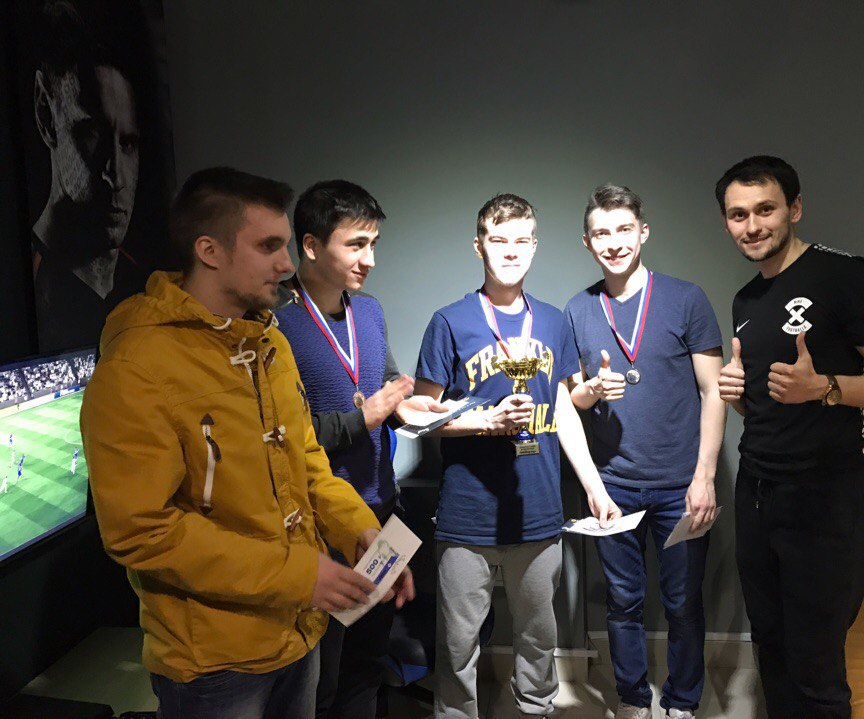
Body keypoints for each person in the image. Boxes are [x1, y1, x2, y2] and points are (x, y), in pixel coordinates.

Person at [80, 167, 412, 719]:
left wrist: (360, 530)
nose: (286, 264)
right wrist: (301, 575)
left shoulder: (268, 342)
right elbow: (141, 531)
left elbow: (307, 462)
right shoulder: (137, 365)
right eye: (268, 246)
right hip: (216, 663)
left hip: (298, 631)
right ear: (209, 251)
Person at [715, 155, 864, 718]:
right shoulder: (746, 301)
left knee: (815, 661)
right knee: (772, 646)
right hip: (758, 490)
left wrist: (825, 387)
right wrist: (738, 394)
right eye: (738, 214)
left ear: (795, 208)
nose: (752, 226)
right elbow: (773, 406)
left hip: (827, 495)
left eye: (765, 209)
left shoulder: (847, 276)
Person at [414, 193, 621, 719]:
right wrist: (486, 421)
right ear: (478, 246)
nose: (511, 251)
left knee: (538, 639)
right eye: (499, 239)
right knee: (457, 646)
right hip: (467, 516)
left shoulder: (552, 321)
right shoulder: (449, 321)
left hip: (538, 511)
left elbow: (565, 409)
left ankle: (536, 709)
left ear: (535, 246)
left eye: (522, 240)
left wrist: (595, 488)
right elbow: (419, 415)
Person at [564, 184, 725, 719]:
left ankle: (682, 701)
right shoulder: (578, 309)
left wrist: (704, 477)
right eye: (601, 233)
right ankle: (632, 698)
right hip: (614, 484)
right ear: (587, 242)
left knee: (683, 602)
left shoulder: (686, 298)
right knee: (622, 601)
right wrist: (591, 391)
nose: (614, 243)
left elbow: (713, 391)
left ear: (643, 232)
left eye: (624, 229)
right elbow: (570, 400)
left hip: (681, 484)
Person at [275, 179, 434, 718]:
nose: (370, 260)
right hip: (318, 527)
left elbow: (383, 381)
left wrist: (408, 405)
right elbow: (278, 437)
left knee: (368, 663)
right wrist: (359, 419)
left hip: (380, 512)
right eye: (356, 245)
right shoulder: (274, 322)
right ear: (311, 245)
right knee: (319, 680)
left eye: (373, 244)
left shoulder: (369, 311)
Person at [31, 0, 142, 351]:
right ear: (46, 116)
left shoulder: (143, 282)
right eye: (92, 134)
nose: (116, 176)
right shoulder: (37, 286)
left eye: (128, 143)